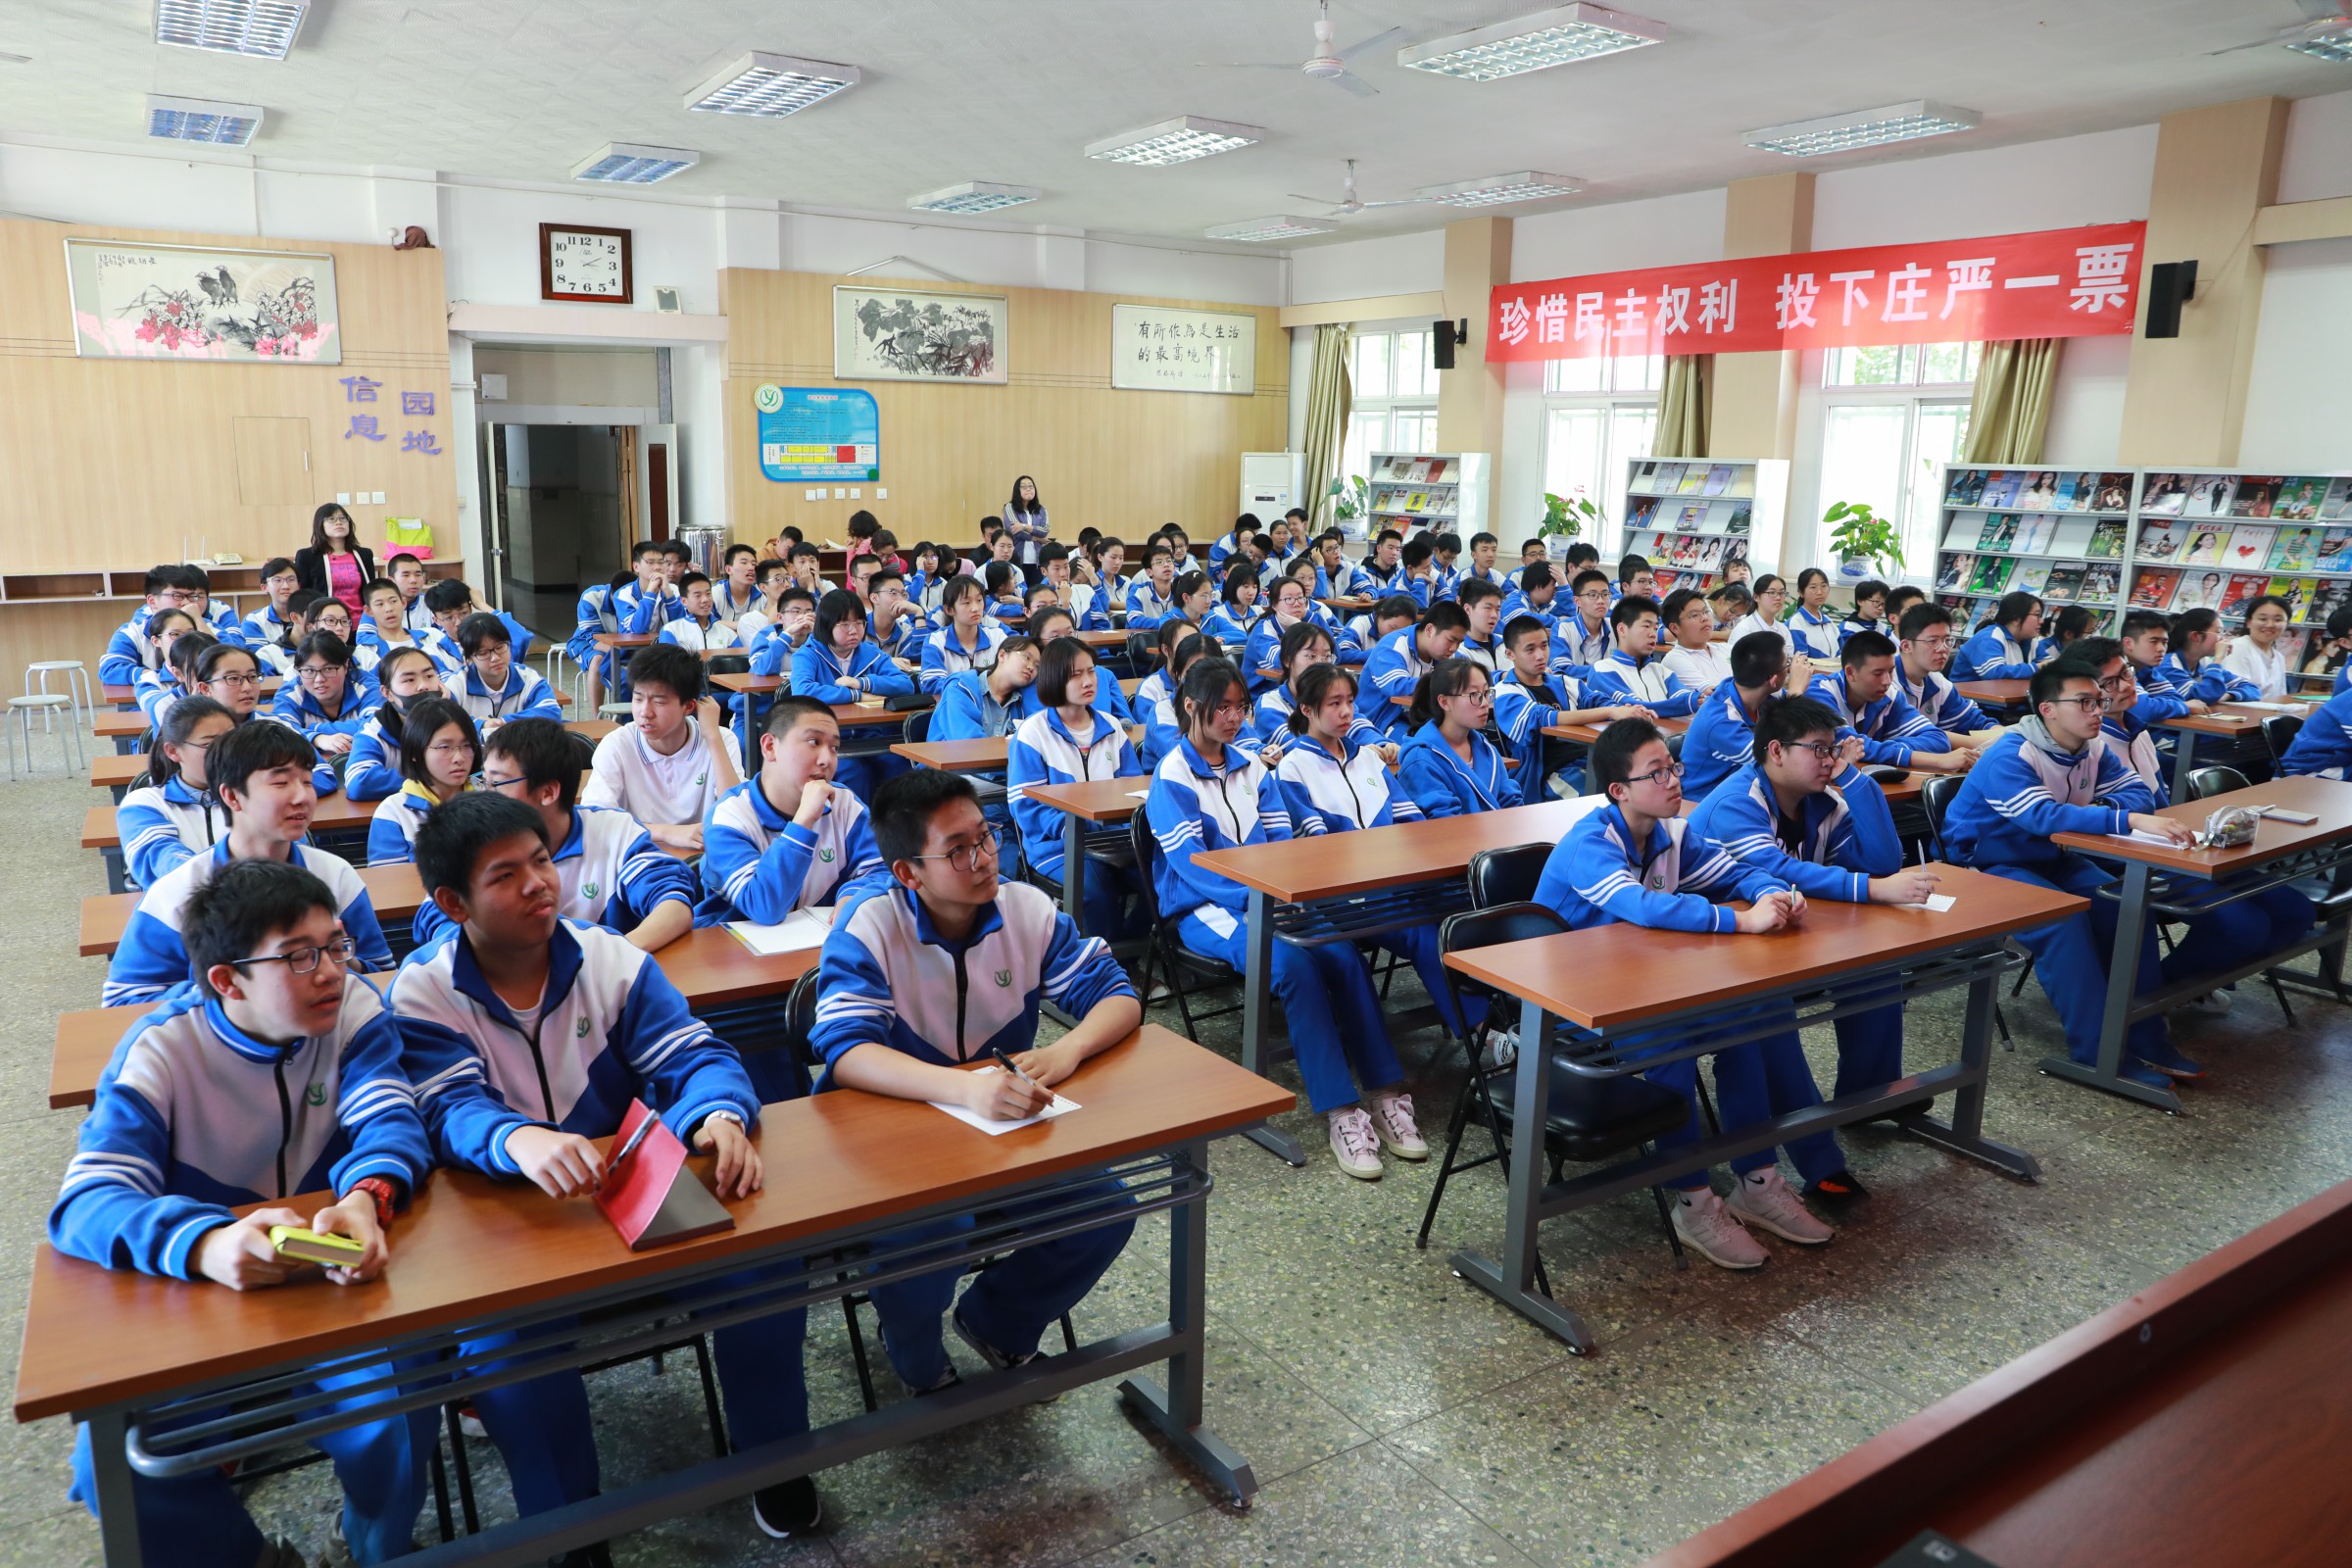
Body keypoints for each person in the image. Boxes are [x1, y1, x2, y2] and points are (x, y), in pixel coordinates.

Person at [394, 793, 822, 1543]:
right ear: (453, 903)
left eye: (541, 861)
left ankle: (773, 1457)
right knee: (505, 1345)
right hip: (510, 1223)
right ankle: (566, 1523)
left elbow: (695, 1055)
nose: (538, 883)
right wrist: (516, 1141)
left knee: (766, 1267)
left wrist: (716, 1115)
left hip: (627, 1196)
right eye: (505, 875)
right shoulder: (425, 989)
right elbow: (448, 1108)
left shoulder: (608, 957)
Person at [55, 859, 435, 1567]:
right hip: (203, 1298)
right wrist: (206, 1244)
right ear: (227, 980)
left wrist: (365, 1196)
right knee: (116, 1465)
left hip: (327, 1281)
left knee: (397, 1409)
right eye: (299, 956)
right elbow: (87, 1202)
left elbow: (390, 1120)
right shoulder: (161, 1051)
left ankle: (372, 1547)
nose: (331, 971)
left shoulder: (354, 1010)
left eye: (336, 945)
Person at [808, 768, 1135, 1394]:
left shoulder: (1026, 909)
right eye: (957, 850)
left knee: (1105, 1209)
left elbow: (1116, 995)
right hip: (887, 1133)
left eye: (985, 837)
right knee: (937, 1230)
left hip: (996, 1124)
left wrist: (1066, 1050)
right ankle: (912, 1347)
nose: (984, 859)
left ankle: (997, 1322)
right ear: (909, 873)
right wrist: (963, 1088)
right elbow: (846, 1052)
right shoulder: (870, 927)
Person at [1530, 718, 1833, 1269]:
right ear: (1618, 790)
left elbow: (1735, 872)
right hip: (1570, 1008)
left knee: (1748, 1023)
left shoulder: (1672, 832)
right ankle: (1692, 1202)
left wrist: (1774, 894)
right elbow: (1644, 907)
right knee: (1671, 1042)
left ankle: (1758, 1181)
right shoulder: (1589, 844)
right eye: (1656, 773)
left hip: (1641, 987)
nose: (1673, 780)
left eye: (1673, 768)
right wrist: (1742, 922)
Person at [1145, 658, 1423, 1179]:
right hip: (1205, 909)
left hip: (1272, 898)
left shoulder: (1253, 769)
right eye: (1222, 708)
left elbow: (1282, 847)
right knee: (1293, 967)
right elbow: (1192, 868)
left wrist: (1284, 896)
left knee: (1342, 955)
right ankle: (1341, 1111)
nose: (1233, 718)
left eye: (1240, 707)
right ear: (1191, 706)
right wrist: (1259, 899)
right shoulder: (1173, 775)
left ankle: (1386, 1093)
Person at [1690, 696, 1940, 1204]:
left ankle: (1866, 1097)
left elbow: (1881, 860)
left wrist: (1854, 779)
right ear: (1776, 751)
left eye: (1834, 749)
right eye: (1819, 750)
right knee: (1773, 1013)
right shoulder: (1734, 803)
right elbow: (1779, 870)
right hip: (1716, 951)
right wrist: (1873, 890)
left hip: (1786, 936)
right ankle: (1819, 1162)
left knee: (1875, 969)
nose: (1829, 760)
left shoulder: (1822, 800)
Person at [1942, 660, 2204, 1089]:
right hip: (1988, 866)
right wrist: (2123, 819)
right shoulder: (2011, 754)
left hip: (2052, 856)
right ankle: (2097, 1054)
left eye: (2099, 700)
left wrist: (2109, 811)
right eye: (2084, 702)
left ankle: (2146, 1036)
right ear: (2047, 709)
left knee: (2126, 906)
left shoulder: (2092, 748)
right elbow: (2041, 816)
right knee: (2062, 922)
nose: (2098, 710)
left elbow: (2139, 794)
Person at [2082, 636, 2314, 1009]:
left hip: (2175, 846)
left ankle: (2184, 984)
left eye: (2126, 673)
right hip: (2131, 860)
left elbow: (2160, 806)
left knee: (2296, 912)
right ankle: (2155, 998)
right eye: (2110, 682)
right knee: (2243, 925)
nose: (2126, 685)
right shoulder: (2089, 743)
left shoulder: (2136, 728)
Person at [105, 722, 394, 1007]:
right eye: (280, 783)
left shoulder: (335, 874)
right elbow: (124, 1000)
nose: (302, 797)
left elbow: (380, 971)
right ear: (232, 796)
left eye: (307, 782)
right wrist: (238, 986)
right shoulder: (180, 890)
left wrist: (341, 960)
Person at [419, 716, 697, 953]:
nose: (487, 794)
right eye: (485, 781)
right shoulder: (472, 838)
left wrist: (610, 961)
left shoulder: (613, 831)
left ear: (549, 792)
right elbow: (437, 920)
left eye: (498, 783)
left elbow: (673, 903)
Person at [1006, 638, 1149, 938]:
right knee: (1096, 890)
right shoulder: (1033, 734)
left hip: (1113, 841)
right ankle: (1108, 957)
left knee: (1163, 880)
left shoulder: (1112, 728)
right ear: (1054, 679)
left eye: (1091, 671)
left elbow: (1134, 793)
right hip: (1056, 846)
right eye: (1076, 674)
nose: (1088, 681)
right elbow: (1025, 808)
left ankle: (1133, 948)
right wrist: (1077, 827)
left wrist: (1118, 829)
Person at [579, 642, 740, 853]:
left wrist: (712, 737)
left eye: (659, 702)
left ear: (688, 706)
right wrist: (667, 832)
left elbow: (736, 813)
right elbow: (595, 819)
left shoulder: (721, 740)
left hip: (703, 860)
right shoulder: (617, 745)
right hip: (638, 858)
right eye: (638, 699)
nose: (645, 712)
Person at [1491, 614, 1648, 800]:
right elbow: (1543, 718)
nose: (1540, 655)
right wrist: (1611, 711)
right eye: (1530, 650)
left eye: (1544, 646)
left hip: (1586, 759)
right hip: (1545, 773)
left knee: (1640, 785)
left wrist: (1624, 710)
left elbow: (1596, 700)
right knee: (1607, 798)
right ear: (1510, 654)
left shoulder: (1562, 682)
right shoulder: (1505, 692)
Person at [795, 588, 915, 797]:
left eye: (859, 623)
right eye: (844, 624)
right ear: (826, 625)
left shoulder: (869, 651)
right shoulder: (808, 654)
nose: (854, 630)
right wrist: (856, 695)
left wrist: (861, 683)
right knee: (854, 772)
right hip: (824, 739)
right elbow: (803, 691)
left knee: (899, 764)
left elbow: (905, 685)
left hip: (868, 732)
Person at [1809, 630, 1974, 773]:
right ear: (1850, 672)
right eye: (1878, 673)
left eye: (1891, 671)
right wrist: (1936, 761)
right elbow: (1846, 744)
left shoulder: (1888, 696)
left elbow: (1938, 740)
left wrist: (1882, 749)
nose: (1887, 681)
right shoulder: (1819, 692)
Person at [118, 696, 235, 890]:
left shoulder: (254, 796)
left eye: (232, 740)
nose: (227, 752)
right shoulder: (143, 804)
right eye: (209, 744)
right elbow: (165, 865)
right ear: (173, 751)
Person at [1397, 658, 1522, 817]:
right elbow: (1444, 822)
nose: (1485, 703)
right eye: (1474, 694)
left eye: (1486, 693)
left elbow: (1511, 801)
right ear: (1444, 702)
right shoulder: (1420, 759)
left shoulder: (1486, 749)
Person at [365, 696, 479, 865]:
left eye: (467, 745)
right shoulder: (394, 812)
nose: (459, 758)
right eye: (444, 747)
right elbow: (387, 879)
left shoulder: (490, 801)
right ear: (414, 753)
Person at [343, 646, 447, 802]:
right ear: (387, 692)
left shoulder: (454, 723)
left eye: (429, 676)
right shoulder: (374, 730)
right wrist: (432, 776)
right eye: (410, 680)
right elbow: (359, 782)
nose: (423, 686)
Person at [268, 629, 376, 768]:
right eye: (309, 671)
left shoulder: (366, 686)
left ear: (345, 666)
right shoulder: (291, 694)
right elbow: (281, 733)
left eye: (328, 669)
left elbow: (375, 725)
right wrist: (318, 739)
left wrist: (313, 728)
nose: (319, 679)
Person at [1586, 596, 1704, 716]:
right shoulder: (1603, 669)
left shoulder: (1661, 671)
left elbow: (1684, 695)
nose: (1653, 634)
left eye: (1656, 628)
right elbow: (1635, 708)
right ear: (1622, 630)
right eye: (1646, 626)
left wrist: (1702, 698)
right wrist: (1690, 702)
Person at [1363, 601, 1470, 734]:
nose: (1454, 648)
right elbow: (1396, 686)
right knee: (1424, 742)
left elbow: (1470, 673)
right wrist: (1443, 682)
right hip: (1379, 723)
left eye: (1459, 643)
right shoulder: (1392, 646)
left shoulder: (1446, 653)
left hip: (1418, 719)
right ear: (1429, 630)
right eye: (1450, 640)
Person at [1894, 603, 1996, 739]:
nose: (1943, 648)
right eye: (1932, 641)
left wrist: (2003, 733)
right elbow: (1917, 735)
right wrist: (1983, 742)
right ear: (1906, 646)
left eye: (1947, 640)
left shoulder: (1937, 681)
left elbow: (1973, 721)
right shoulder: (1886, 683)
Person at [452, 612, 560, 735]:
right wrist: (480, 725)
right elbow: (442, 720)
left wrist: (504, 723)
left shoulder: (527, 677)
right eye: (483, 653)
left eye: (500, 647)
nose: (495, 658)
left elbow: (551, 711)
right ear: (469, 658)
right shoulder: (458, 684)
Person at [101, 564, 207, 689]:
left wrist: (200, 624)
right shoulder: (132, 633)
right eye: (178, 596)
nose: (187, 603)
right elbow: (110, 669)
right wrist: (162, 677)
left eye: (191, 596)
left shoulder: (208, 627)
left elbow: (225, 663)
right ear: (152, 601)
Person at [920, 575, 1007, 696]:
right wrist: (978, 685)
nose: (975, 608)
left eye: (979, 600)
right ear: (949, 610)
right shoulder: (936, 641)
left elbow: (1012, 674)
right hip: (954, 705)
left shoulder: (998, 637)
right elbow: (932, 684)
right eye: (966, 602)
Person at [293, 501, 376, 613]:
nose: (338, 522)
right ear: (320, 524)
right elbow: (303, 595)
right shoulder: (307, 556)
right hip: (326, 620)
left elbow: (372, 590)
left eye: (342, 518)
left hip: (362, 619)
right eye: (331, 519)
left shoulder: (364, 554)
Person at [1953, 591, 2051, 680]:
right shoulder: (1989, 638)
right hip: (1969, 694)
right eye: (2037, 615)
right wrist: (2038, 667)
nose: (2042, 621)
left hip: (2008, 692)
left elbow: (2052, 666)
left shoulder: (2029, 641)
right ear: (2016, 619)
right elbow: (1995, 674)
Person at [2220, 594, 2293, 697]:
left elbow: (2280, 697)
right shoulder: (2237, 647)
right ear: (2249, 622)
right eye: (2263, 619)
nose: (2270, 625)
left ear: (2286, 624)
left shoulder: (2279, 657)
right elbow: (2235, 693)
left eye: (2278, 620)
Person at [1660, 587, 1730, 692]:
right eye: (1694, 615)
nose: (1705, 618)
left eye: (1706, 611)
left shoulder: (1727, 648)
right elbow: (1713, 694)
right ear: (1675, 628)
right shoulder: (1675, 660)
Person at [1553, 569, 1618, 675]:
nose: (1601, 601)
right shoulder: (1563, 628)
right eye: (1592, 595)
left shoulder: (1616, 626)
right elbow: (1561, 669)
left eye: (1605, 594)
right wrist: (1606, 670)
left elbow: (1628, 665)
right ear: (1577, 601)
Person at [658, 570, 740, 653]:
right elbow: (669, 660)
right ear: (684, 601)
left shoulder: (728, 633)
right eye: (697, 596)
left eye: (708, 594)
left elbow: (742, 659)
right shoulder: (671, 630)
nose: (705, 600)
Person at [1727, 572, 1795, 657]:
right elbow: (1734, 661)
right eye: (1772, 592)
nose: (1778, 597)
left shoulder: (1783, 629)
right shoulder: (1745, 629)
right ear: (1756, 597)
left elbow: (1789, 659)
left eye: (1782, 593)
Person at [241, 557, 303, 647]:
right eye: (278, 580)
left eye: (291, 580)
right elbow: (257, 654)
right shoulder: (254, 620)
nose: (286, 586)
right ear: (264, 587)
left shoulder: (311, 617)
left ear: (299, 585)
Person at [1786, 568, 1840, 662]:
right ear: (1801, 592)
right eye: (1813, 587)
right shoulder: (1796, 623)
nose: (1819, 592)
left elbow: (1842, 654)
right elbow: (1800, 662)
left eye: (1823, 586)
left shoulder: (1829, 622)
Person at [1003, 474, 1050, 575]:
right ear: (1017, 490)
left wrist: (1024, 526)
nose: (1028, 489)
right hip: (1017, 559)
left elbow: (1045, 530)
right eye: (1024, 487)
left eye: (1031, 486)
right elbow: (1014, 531)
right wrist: (1037, 538)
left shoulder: (1041, 509)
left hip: (1037, 561)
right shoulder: (1010, 507)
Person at [1203, 569, 1261, 646]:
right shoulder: (1218, 613)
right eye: (1246, 586)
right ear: (1233, 587)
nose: (1251, 593)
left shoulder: (1260, 612)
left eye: (1254, 587)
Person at [1838, 580, 1890, 645]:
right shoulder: (1848, 627)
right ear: (1860, 601)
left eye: (1884, 603)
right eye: (1877, 602)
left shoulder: (1883, 629)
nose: (1881, 608)